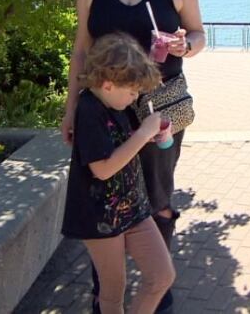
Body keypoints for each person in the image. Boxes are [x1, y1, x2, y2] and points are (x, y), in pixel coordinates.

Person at [60, 0, 206, 313]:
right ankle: (105, 296)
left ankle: (157, 293)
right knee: (104, 198)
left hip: (160, 108)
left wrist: (185, 45)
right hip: (103, 111)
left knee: (157, 199)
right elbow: (81, 49)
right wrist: (71, 107)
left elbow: (199, 35)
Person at [60, 33, 175, 314]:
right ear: (108, 84)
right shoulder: (89, 109)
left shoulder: (115, 103)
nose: (135, 97)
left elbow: (119, 145)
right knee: (112, 292)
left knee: (162, 276)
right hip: (99, 216)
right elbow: (102, 168)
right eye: (132, 91)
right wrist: (144, 133)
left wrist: (147, 136)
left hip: (132, 207)